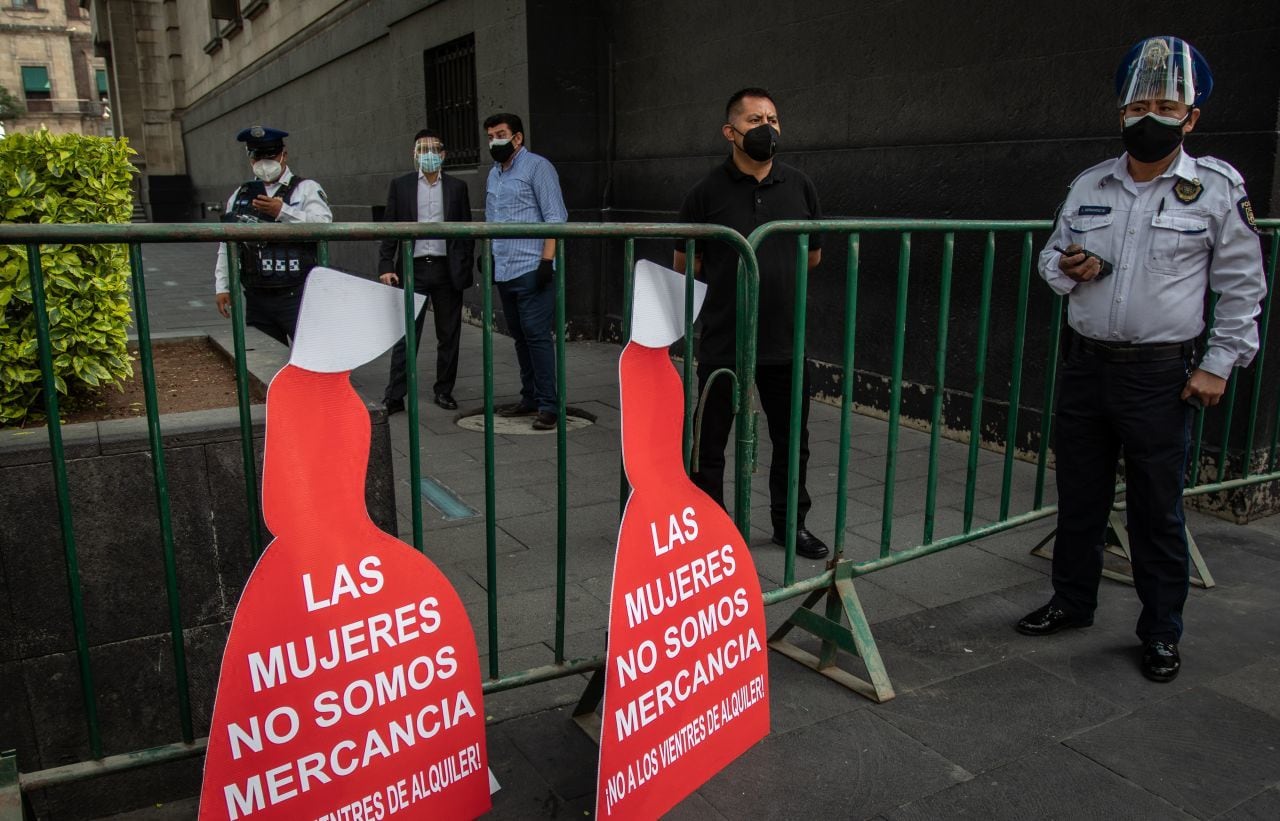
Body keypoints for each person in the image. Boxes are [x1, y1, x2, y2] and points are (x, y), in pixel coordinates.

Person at [1016, 36, 1266, 683]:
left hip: (1161, 374)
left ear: (1191, 117)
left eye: (1165, 104)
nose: (1149, 116)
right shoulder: (1090, 184)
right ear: (1121, 111)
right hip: (1087, 365)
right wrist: (1075, 268)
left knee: (1158, 509)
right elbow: (1050, 259)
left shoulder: (1213, 189)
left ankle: (1160, 631)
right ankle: (1072, 601)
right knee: (1080, 498)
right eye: (1139, 104)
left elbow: (1242, 285)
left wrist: (1218, 363)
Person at [674, 87, 827, 560]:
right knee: (711, 441)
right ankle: (712, 529)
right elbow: (686, 264)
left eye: (774, 119)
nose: (767, 127)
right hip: (725, 338)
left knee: (791, 440)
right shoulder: (704, 192)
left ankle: (790, 525)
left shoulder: (800, 185)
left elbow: (814, 255)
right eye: (755, 119)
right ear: (730, 131)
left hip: (784, 338)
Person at [378, 128, 475, 414]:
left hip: (447, 271)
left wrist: (464, 265)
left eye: (434, 150)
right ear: (414, 155)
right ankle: (395, 395)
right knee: (406, 334)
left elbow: (466, 230)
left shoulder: (457, 188)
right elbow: (389, 228)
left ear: (443, 155)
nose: (428, 156)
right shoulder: (401, 185)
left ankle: (444, 390)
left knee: (449, 335)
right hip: (413, 269)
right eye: (422, 151)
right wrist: (386, 265)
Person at [482, 112, 568, 431]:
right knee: (519, 337)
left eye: (501, 134)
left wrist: (547, 262)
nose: (495, 141)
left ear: (517, 137)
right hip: (505, 268)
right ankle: (530, 397)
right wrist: (489, 257)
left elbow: (555, 217)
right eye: (490, 136)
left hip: (533, 267)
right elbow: (492, 220)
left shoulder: (538, 167)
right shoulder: (494, 174)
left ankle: (549, 405)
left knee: (536, 336)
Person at [214, 126, 331, 346]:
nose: (264, 161)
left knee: (312, 356)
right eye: (257, 155)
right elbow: (226, 244)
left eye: (270, 154)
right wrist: (223, 286)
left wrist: (282, 212)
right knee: (267, 363)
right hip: (257, 295)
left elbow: (324, 225)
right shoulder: (241, 194)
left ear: (283, 154)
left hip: (298, 293)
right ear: (250, 159)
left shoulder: (306, 189)